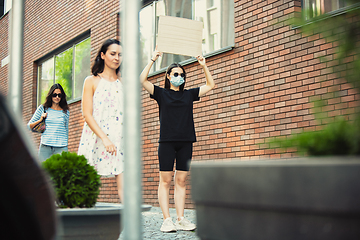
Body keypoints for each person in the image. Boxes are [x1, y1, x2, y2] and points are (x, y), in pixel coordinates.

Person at [140, 47, 215, 232]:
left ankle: (181, 218)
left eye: (182, 74)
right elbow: (142, 80)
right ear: (168, 75)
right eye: (175, 73)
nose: (179, 76)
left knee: (181, 181)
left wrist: (204, 66)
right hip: (166, 142)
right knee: (165, 181)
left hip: (186, 142)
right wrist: (152, 59)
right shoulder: (161, 94)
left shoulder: (189, 94)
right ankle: (167, 220)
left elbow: (210, 85)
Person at [78, 38, 124, 202]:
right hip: (95, 136)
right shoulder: (91, 81)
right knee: (87, 183)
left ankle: (130, 224)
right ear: (103, 55)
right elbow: (87, 114)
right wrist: (104, 138)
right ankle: (82, 221)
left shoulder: (122, 83)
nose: (117, 58)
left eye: (120, 54)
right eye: (113, 53)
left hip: (120, 139)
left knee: (124, 181)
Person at [28, 83, 70, 162]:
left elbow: (66, 129)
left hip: (61, 147)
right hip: (45, 147)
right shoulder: (43, 108)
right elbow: (29, 126)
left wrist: (66, 144)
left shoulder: (65, 111)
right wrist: (40, 120)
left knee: (60, 172)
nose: (57, 97)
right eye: (54, 95)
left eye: (59, 95)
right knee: (43, 172)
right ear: (51, 95)